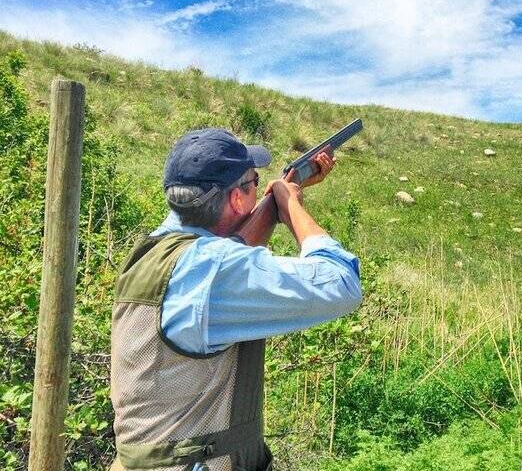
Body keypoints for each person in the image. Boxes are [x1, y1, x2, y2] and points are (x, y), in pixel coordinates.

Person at [109, 128, 362, 471]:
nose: (258, 187)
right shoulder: (213, 268)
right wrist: (290, 206)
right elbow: (341, 282)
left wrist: (270, 205)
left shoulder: (155, 252)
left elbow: (228, 252)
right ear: (236, 200)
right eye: (254, 181)